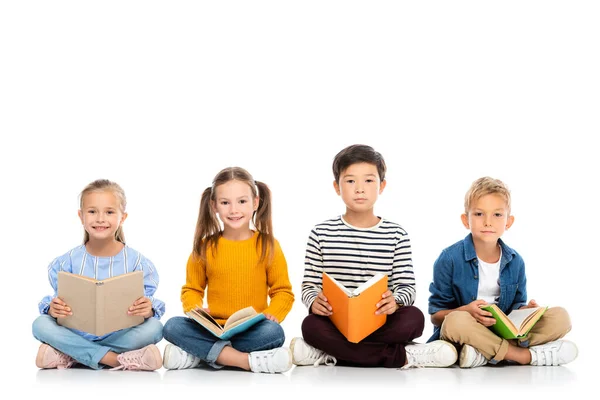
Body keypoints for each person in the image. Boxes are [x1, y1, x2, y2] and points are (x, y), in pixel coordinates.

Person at [290, 144, 457, 369]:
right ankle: (405, 356)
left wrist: (395, 302)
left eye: (368, 181)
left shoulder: (396, 234)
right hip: (337, 322)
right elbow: (309, 286)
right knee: (310, 325)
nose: (360, 189)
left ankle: (329, 353)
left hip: (380, 321)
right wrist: (314, 303)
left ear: (382, 186)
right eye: (350, 181)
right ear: (336, 187)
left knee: (414, 318)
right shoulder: (320, 233)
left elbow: (406, 287)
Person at [428, 176, 578, 368]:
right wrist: (467, 311)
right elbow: (436, 316)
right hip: (466, 329)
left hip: (501, 333)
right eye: (479, 214)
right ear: (466, 220)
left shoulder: (515, 261)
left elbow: (515, 310)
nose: (488, 222)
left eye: (497, 215)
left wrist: (527, 312)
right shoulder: (449, 258)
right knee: (455, 321)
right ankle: (522, 356)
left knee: (561, 317)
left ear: (509, 221)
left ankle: (483, 353)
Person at [162, 167, 295, 374]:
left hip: (251, 329)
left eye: (242, 201)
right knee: (172, 326)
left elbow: (282, 291)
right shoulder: (205, 247)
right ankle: (244, 360)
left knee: (274, 333)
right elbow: (191, 289)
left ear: (255, 203)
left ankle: (198, 355)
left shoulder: (268, 245)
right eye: (225, 203)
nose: (234, 210)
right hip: (212, 328)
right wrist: (194, 308)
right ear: (214, 205)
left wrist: (272, 314)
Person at [33, 179, 165, 371]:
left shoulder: (138, 263)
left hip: (120, 335)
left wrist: (148, 310)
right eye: (92, 211)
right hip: (76, 333)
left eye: (109, 212)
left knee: (155, 328)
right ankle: (115, 359)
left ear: (123, 217)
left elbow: (147, 305)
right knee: (40, 324)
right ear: (81, 216)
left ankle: (71, 354)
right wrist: (53, 309)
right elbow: (58, 300)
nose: (100, 219)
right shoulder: (66, 262)